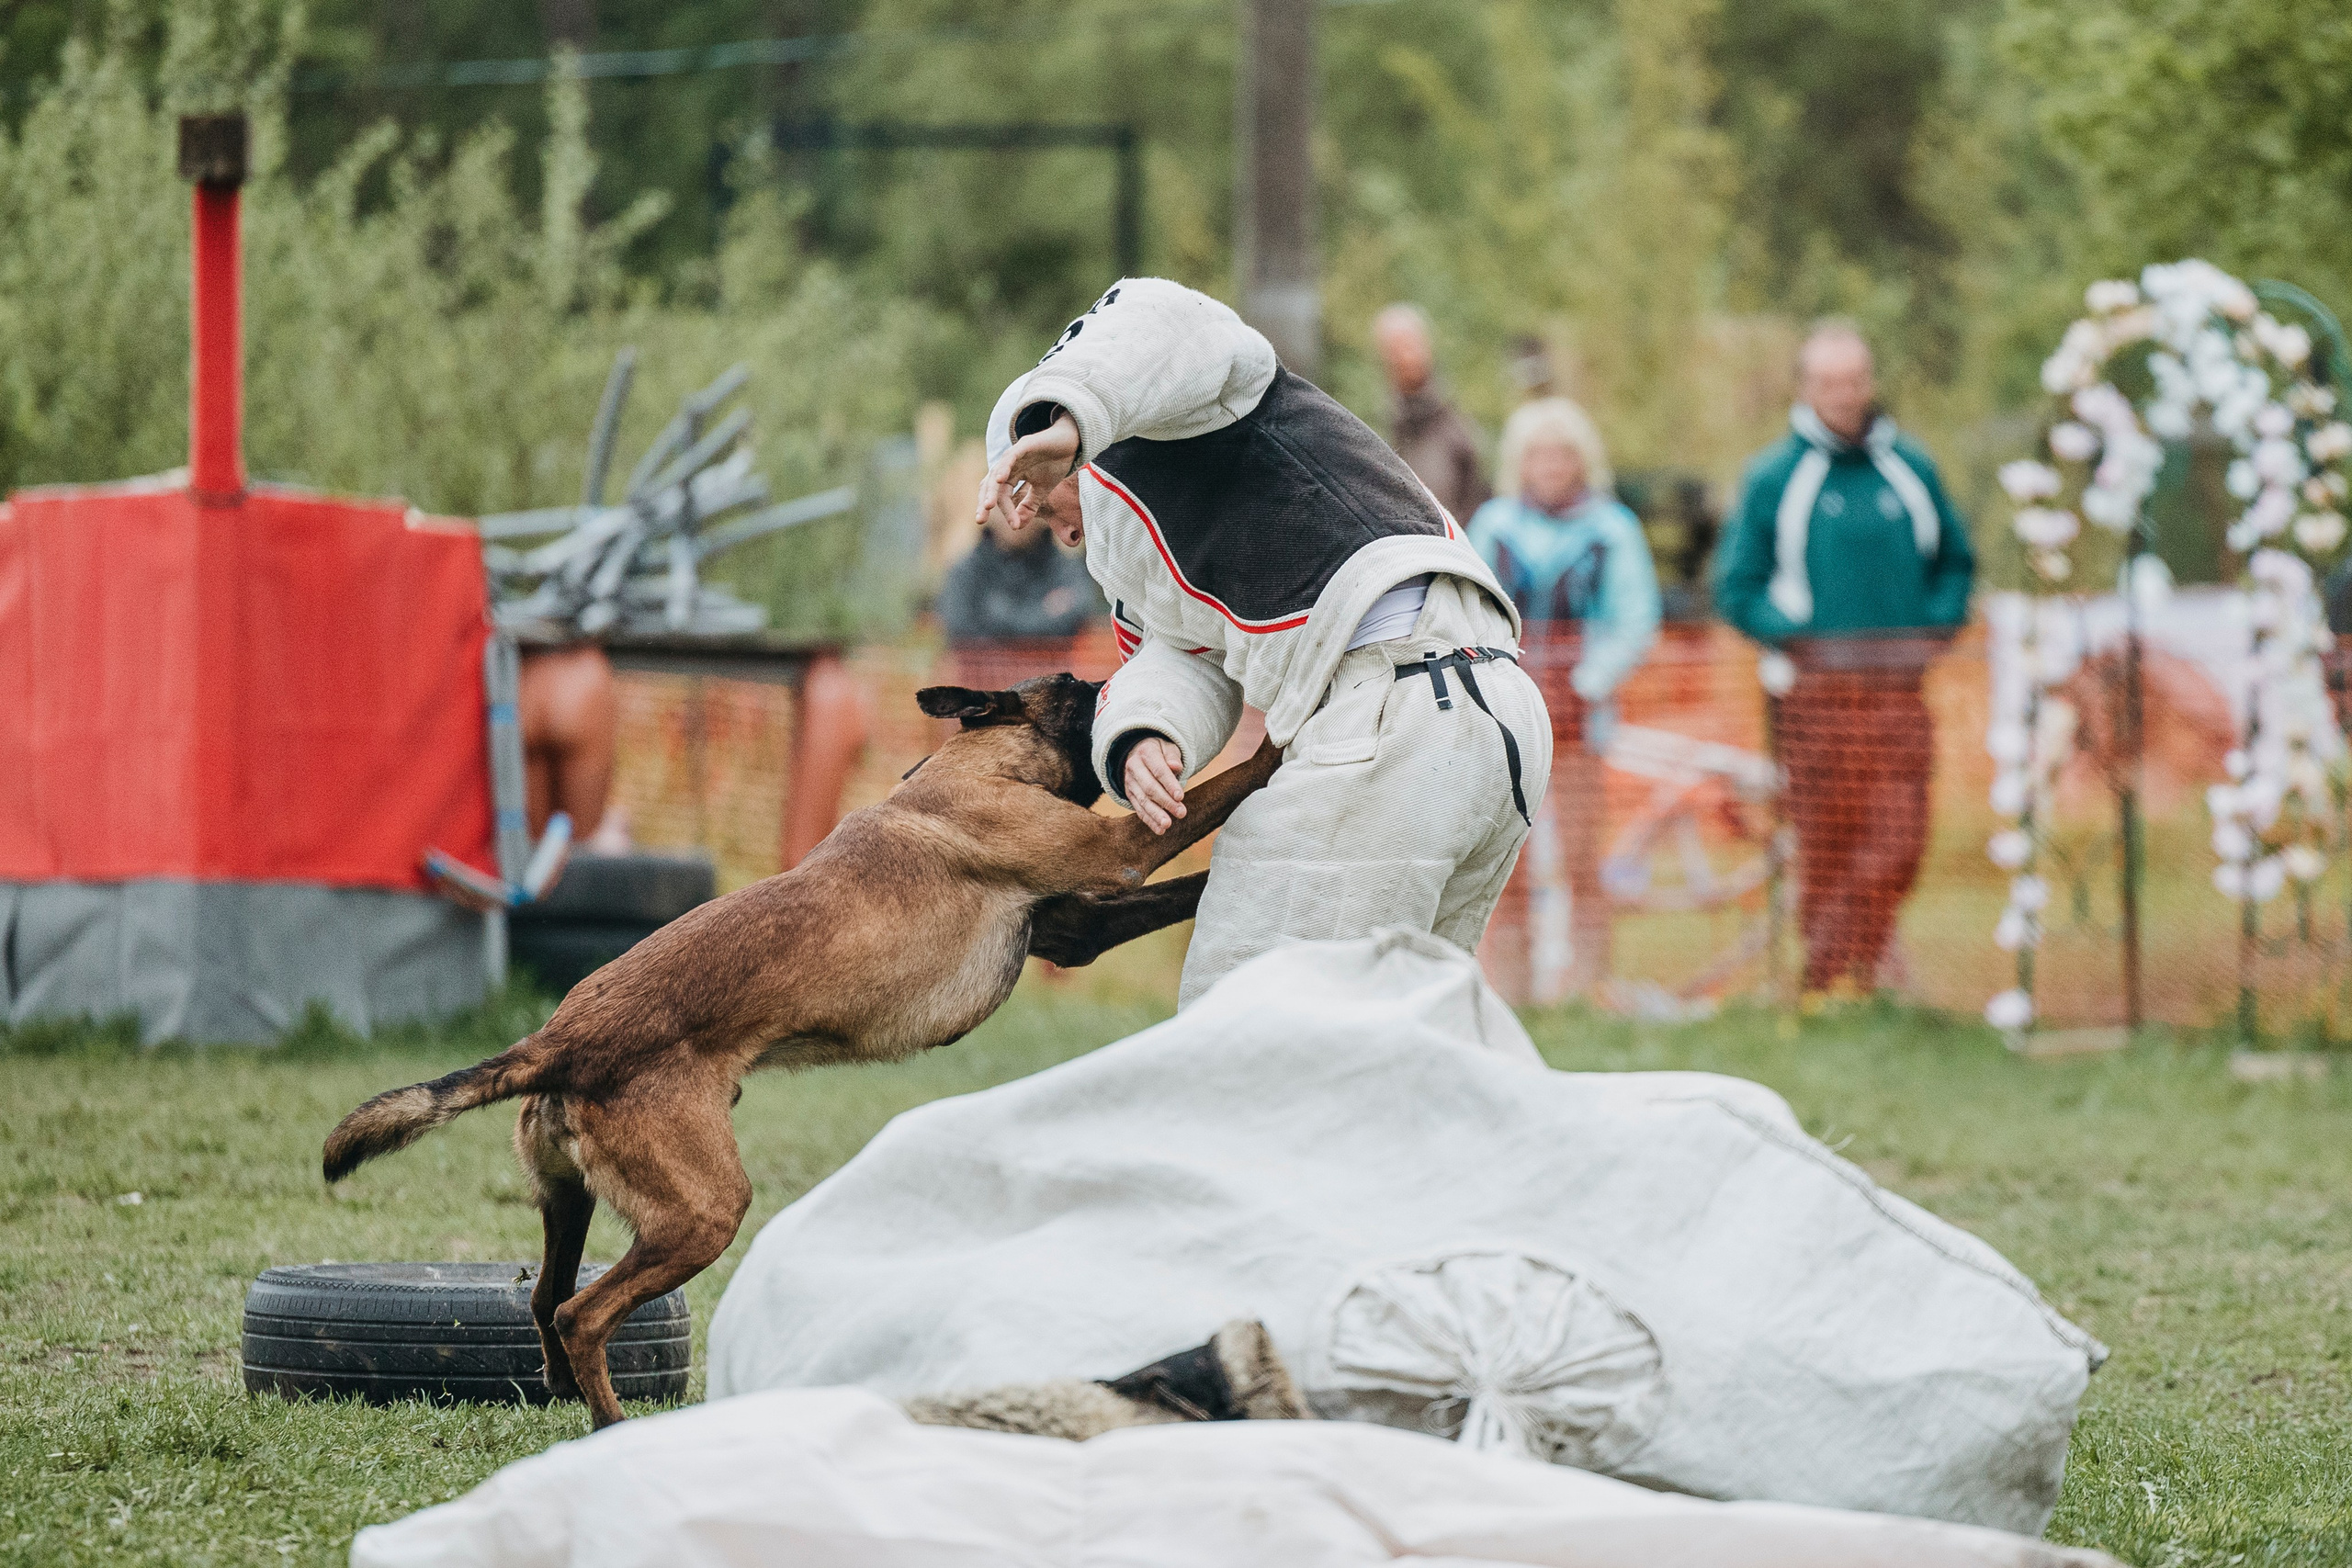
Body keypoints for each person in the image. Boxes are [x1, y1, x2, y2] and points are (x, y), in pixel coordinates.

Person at [978, 278, 1550, 1006]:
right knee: (1391, 1065)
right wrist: (1145, 733)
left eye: (1032, 491)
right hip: (1484, 713)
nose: (1043, 523)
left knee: (1238, 1037)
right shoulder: (1136, 553)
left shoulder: (1180, 414)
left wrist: (1064, 418)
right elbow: (1186, 654)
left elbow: (1159, 310)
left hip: (1397, 709)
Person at [1714, 321, 1975, 998]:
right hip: (1813, 701)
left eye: (1854, 380)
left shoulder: (1910, 468)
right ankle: (1841, 986)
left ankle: (1836, 968)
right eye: (1829, 382)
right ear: (1806, 387)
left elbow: (1956, 561)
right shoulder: (1776, 477)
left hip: (1897, 695)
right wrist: (1795, 634)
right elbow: (1736, 586)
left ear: (1870, 383)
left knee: (1899, 841)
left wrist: (1935, 626)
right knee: (1827, 844)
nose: (1843, 394)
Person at [1467, 399, 1660, 999]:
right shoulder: (1495, 526)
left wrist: (1584, 685)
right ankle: (1510, 992)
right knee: (1505, 862)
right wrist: (1500, 683)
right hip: (1507, 720)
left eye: (1562, 452)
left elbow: (1634, 619)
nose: (1550, 465)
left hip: (1581, 722)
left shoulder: (1612, 529)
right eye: (1537, 453)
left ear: (1582, 460)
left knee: (1581, 859)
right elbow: (1468, 609)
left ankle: (1586, 989)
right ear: (1519, 462)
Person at [1373, 303, 1490, 523]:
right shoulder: (1376, 424)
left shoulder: (1456, 427)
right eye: (1395, 349)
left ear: (1427, 348)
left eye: (1410, 345)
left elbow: (1479, 499)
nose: (1405, 357)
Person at [938, 503, 1104, 646]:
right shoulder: (966, 571)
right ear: (991, 511)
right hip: (983, 679)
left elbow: (1079, 610)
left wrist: (996, 613)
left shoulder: (1066, 568)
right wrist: (1045, 612)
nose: (1015, 516)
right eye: (1005, 507)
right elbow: (958, 625)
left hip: (1051, 679)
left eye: (1024, 506)